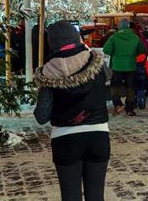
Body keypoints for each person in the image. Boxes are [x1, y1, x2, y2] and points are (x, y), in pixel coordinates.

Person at [34, 20, 111, 201]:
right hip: (98, 135)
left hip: (65, 139)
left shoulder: (48, 72)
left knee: (70, 196)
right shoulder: (98, 64)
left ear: (51, 43)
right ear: (77, 38)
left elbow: (41, 116)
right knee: (96, 196)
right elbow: (106, 94)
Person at [101, 19, 146, 117]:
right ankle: (129, 110)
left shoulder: (114, 37)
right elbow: (142, 51)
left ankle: (117, 104)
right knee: (130, 88)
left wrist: (116, 53)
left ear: (120, 27)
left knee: (115, 86)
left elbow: (106, 50)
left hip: (117, 66)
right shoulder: (135, 38)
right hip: (131, 66)